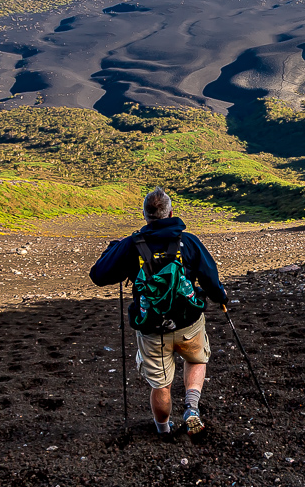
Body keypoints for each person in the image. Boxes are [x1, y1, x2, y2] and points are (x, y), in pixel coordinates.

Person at [90, 187, 227, 438]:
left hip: (152, 328)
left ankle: (163, 430)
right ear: (171, 212)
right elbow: (210, 277)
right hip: (188, 323)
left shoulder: (131, 246)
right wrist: (221, 298)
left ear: (145, 215)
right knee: (196, 359)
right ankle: (191, 408)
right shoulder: (190, 242)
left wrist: (112, 249)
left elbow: (98, 275)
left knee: (161, 383)